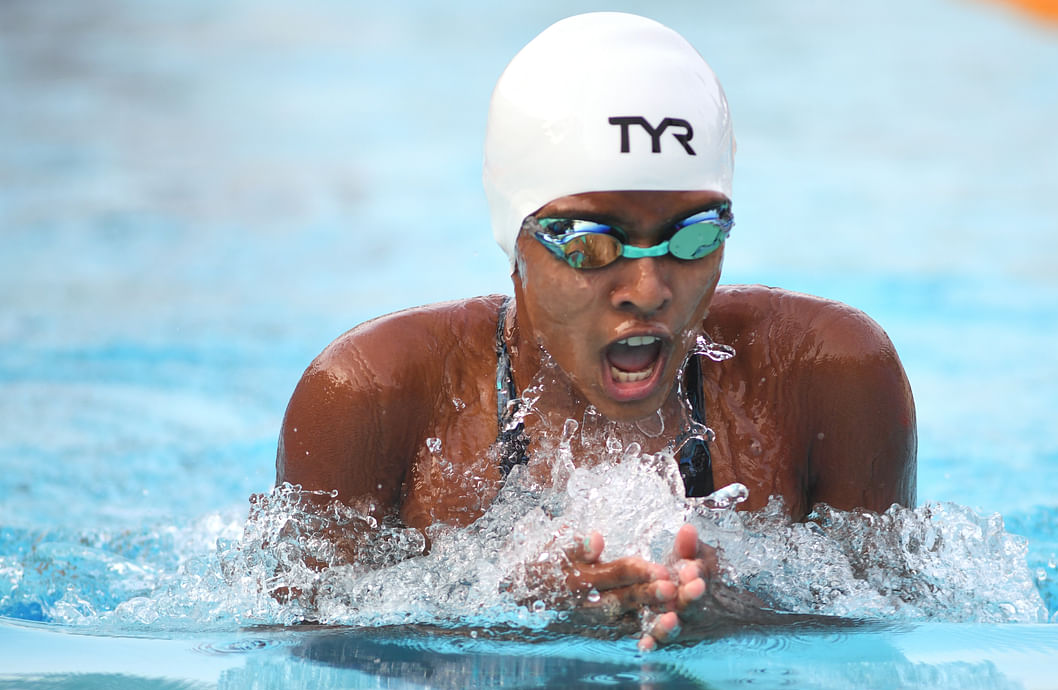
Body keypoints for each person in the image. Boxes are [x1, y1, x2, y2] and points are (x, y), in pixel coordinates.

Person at [275, 13, 916, 649]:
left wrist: (732, 614)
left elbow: (888, 652)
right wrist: (509, 618)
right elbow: (305, 675)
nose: (648, 289)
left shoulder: (826, 374)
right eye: (591, 243)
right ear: (516, 237)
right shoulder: (371, 393)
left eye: (693, 238)